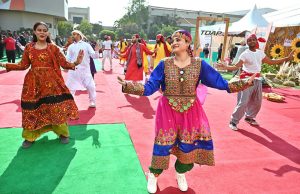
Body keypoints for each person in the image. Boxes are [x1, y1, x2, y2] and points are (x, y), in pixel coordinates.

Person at [117, 29, 256, 193]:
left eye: (179, 39)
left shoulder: (199, 64)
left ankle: (181, 172)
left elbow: (220, 82)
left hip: (191, 111)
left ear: (188, 43)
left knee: (188, 145)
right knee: (163, 144)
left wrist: (244, 82)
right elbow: (149, 88)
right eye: (173, 39)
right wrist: (127, 85)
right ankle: (154, 175)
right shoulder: (164, 64)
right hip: (167, 110)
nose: (174, 42)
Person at [0, 22, 83, 148]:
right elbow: (23, 65)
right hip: (33, 84)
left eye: (44, 30)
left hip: (52, 83)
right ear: (34, 32)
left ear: (48, 33)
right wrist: (6, 65)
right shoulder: (29, 47)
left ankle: (63, 133)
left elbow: (64, 64)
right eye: (39, 30)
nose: (42, 32)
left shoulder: (53, 48)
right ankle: (30, 136)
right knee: (32, 108)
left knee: (56, 107)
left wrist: (76, 62)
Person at [217, 34, 294, 131]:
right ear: (247, 42)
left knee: (257, 101)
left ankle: (249, 117)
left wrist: (286, 58)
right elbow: (236, 66)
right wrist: (225, 67)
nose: (252, 41)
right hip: (246, 80)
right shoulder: (245, 54)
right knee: (243, 102)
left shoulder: (260, 53)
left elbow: (271, 62)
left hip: (257, 80)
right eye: (249, 40)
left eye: (254, 40)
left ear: (256, 41)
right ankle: (233, 121)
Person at [65, 30, 100, 108]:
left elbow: (94, 56)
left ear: (79, 35)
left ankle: (92, 101)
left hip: (85, 70)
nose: (73, 36)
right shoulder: (71, 46)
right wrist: (66, 66)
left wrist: (97, 50)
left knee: (91, 87)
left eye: (74, 34)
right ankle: (70, 104)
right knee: (70, 88)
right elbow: (68, 58)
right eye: (72, 34)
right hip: (73, 70)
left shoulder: (86, 45)